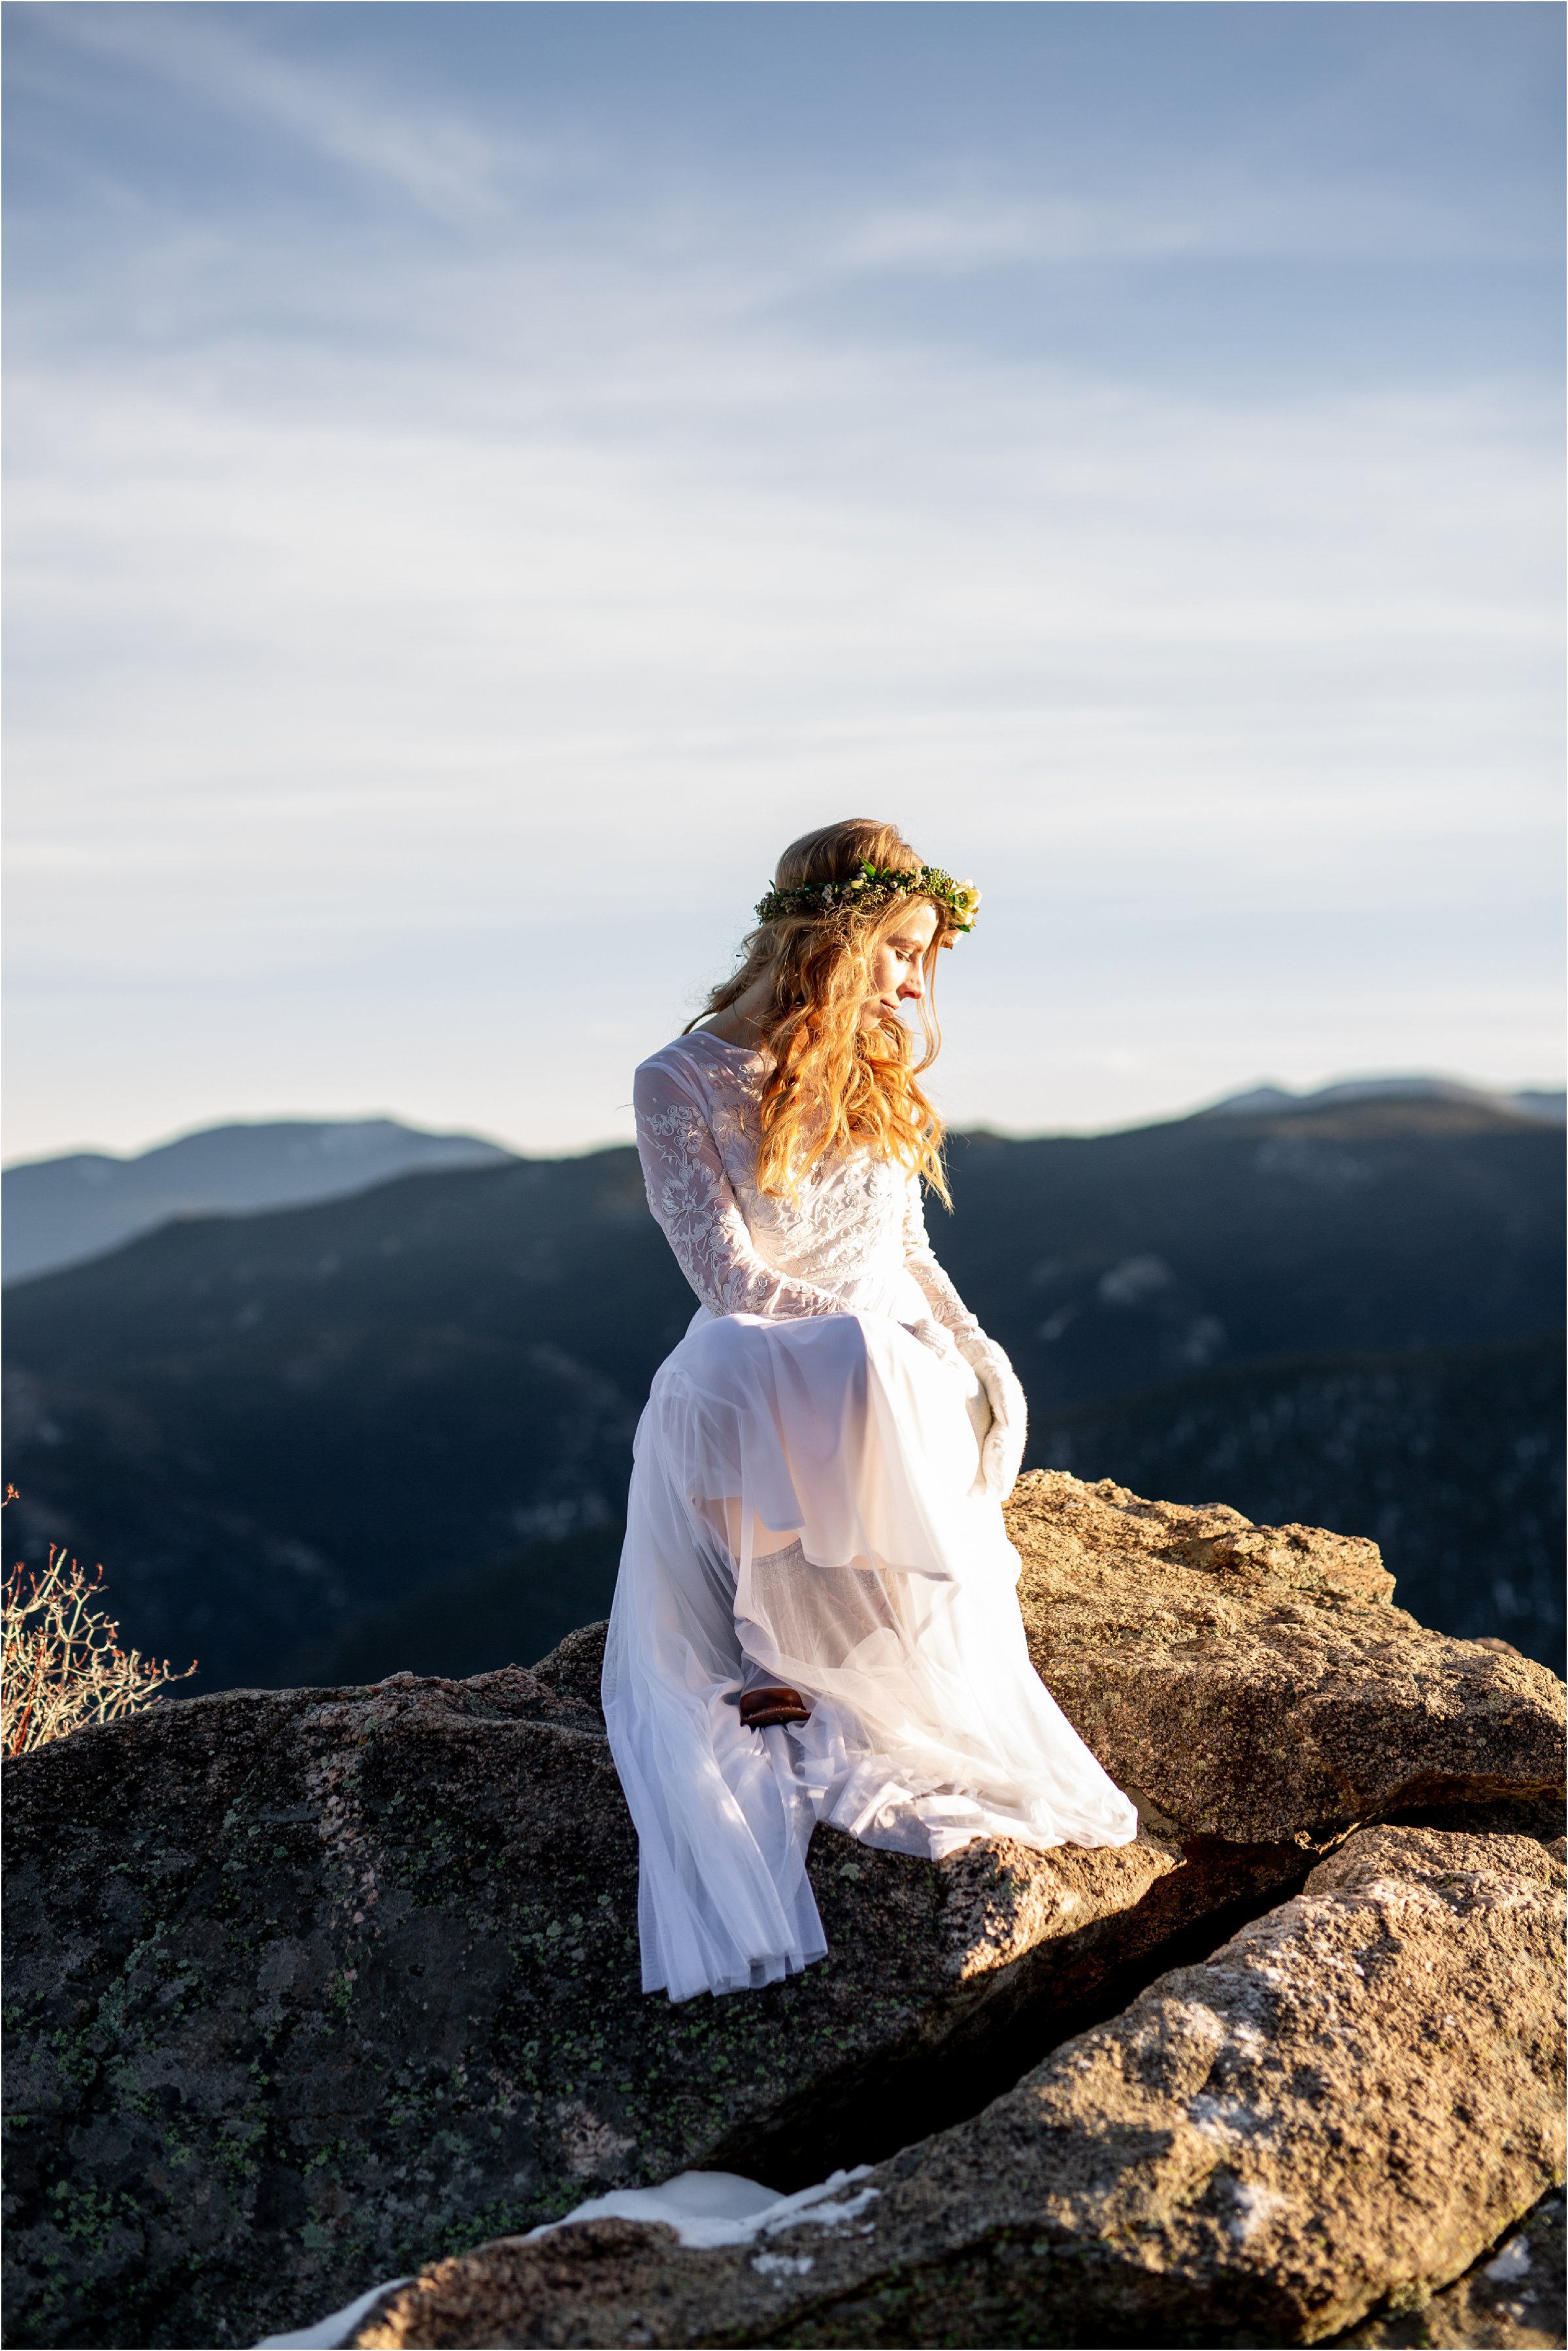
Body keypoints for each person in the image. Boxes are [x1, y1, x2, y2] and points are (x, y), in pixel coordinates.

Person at [602, 818, 1138, 2005]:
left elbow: (905, 1248)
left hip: (875, 1361)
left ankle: (866, 1648)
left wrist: (969, 1344)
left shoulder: (871, 1063)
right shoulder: (677, 1081)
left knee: (934, 1377)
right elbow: (727, 1281)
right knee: (847, 1369)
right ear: (830, 940)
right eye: (900, 949)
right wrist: (874, 1356)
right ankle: (784, 1657)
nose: (911, 978)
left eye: (923, 956)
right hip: (755, 1369)